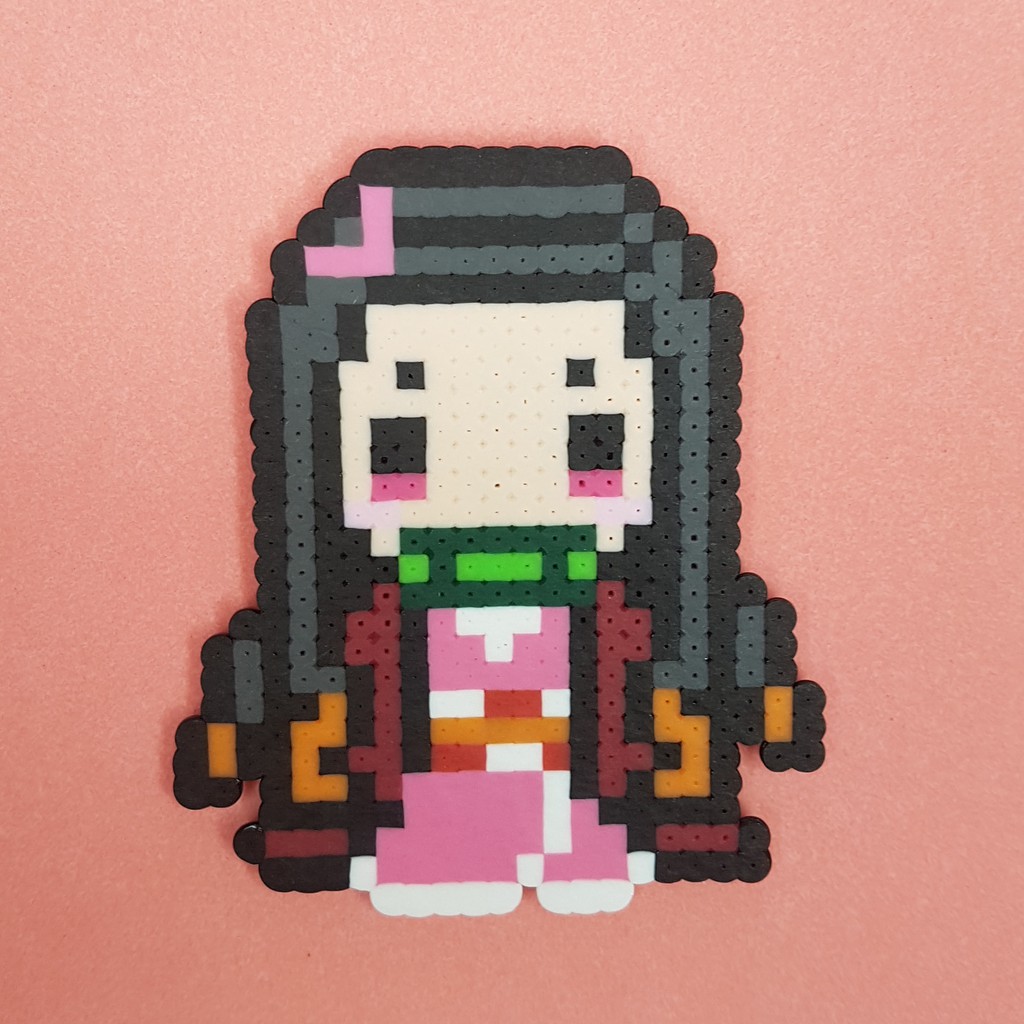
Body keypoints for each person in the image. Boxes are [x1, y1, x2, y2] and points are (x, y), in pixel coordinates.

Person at [173, 146, 826, 916]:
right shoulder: (356, 626)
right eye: (400, 433)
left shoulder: (642, 619)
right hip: (409, 809)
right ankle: (449, 845)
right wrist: (238, 732)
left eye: (592, 430)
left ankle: (548, 841)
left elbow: (726, 658)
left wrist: (764, 699)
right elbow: (279, 683)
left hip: (596, 808)